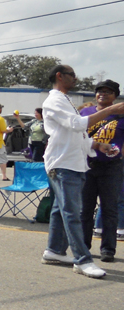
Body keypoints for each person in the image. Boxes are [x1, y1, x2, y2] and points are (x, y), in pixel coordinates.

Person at [41, 65, 124, 279]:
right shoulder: (54, 100)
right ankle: (83, 260)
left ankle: (54, 250)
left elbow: (77, 135)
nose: (75, 79)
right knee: (73, 212)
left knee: (60, 209)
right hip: (64, 163)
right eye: (72, 75)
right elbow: (77, 125)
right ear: (60, 76)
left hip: (72, 162)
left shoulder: (64, 99)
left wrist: (97, 145)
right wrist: (111, 110)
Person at [79, 79, 124, 263]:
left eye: (108, 92)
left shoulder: (121, 115)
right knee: (85, 209)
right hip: (87, 166)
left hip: (111, 167)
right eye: (100, 91)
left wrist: (119, 155)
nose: (103, 94)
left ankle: (108, 249)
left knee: (110, 209)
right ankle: (83, 246)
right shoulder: (85, 113)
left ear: (115, 96)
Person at [0, 104, 14, 181]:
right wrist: (10, 130)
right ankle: (4, 176)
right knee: (3, 160)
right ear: (0, 110)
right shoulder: (0, 119)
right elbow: (3, 130)